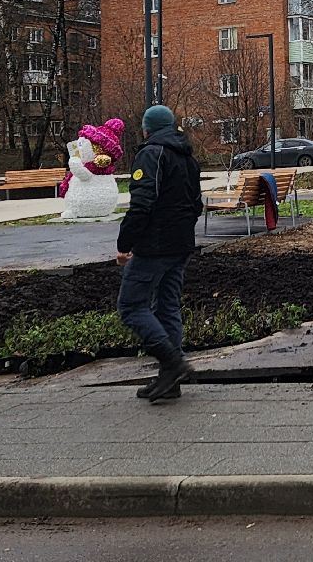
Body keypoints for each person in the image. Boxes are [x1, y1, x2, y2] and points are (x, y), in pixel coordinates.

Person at [116, 104, 204, 403]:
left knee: (131, 307)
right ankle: (172, 378)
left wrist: (125, 243)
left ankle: (172, 363)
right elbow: (196, 205)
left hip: (154, 246)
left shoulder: (151, 153)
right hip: (181, 244)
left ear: (147, 129)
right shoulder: (187, 157)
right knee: (167, 307)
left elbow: (142, 203)